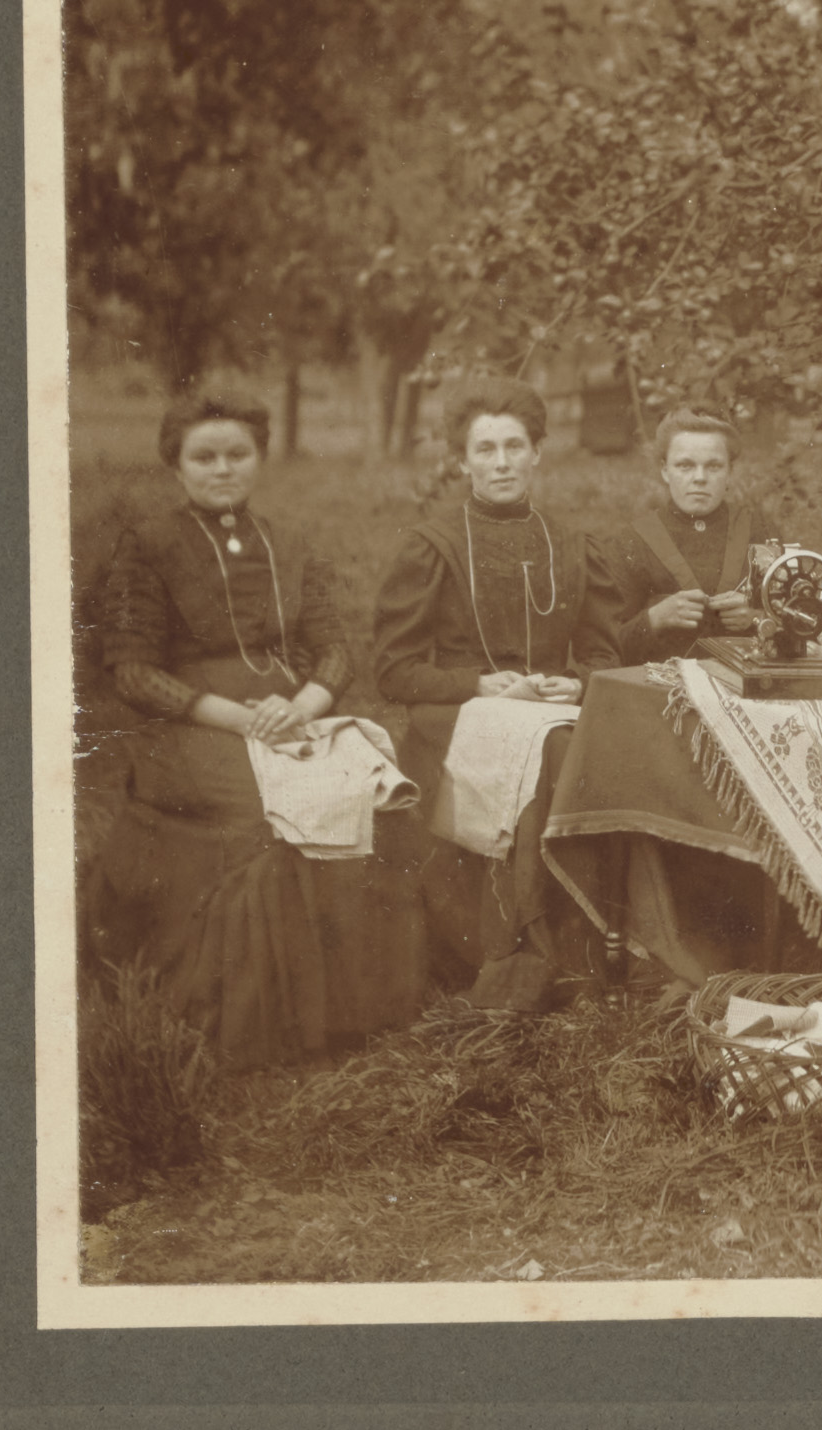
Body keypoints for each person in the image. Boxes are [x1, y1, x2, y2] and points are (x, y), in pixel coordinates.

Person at [82, 389, 427, 1071]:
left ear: (258, 458)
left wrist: (303, 706)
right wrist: (242, 719)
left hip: (290, 715)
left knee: (372, 790)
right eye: (203, 457)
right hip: (191, 727)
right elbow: (134, 674)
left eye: (237, 454)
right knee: (270, 804)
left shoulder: (288, 542)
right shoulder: (147, 546)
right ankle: (267, 1020)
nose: (222, 469)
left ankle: (361, 1008)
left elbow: (334, 649)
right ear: (176, 464)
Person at [370, 381, 606, 1011]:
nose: (501, 463)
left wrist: (576, 681)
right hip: (458, 714)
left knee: (568, 742)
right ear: (462, 460)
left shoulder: (571, 544)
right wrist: (477, 683)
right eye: (485, 449)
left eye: (514, 447)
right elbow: (392, 670)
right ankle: (520, 961)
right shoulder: (433, 545)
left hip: (548, 710)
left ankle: (584, 951)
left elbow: (602, 654)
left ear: (537, 454)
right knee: (554, 751)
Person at [588, 405, 764, 669]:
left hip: (745, 683)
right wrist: (654, 618)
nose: (700, 478)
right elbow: (602, 649)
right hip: (661, 688)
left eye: (714, 466)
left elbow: (801, 628)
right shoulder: (633, 542)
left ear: (730, 471)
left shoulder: (758, 530)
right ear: (664, 470)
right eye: (685, 465)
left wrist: (756, 617)